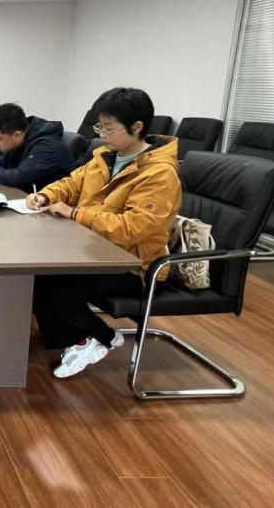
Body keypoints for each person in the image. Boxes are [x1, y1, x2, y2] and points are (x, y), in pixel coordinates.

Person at [25, 87, 180, 379]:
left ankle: (94, 337)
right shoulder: (104, 158)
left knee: (55, 286)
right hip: (92, 249)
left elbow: (132, 228)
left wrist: (75, 214)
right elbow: (70, 183)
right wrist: (45, 195)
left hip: (134, 266)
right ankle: (91, 337)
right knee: (35, 274)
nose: (102, 134)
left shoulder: (160, 174)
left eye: (109, 128)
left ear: (137, 127)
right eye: (99, 127)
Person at [0, 103, 75, 189]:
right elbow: (0, 162)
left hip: (53, 207)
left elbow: (20, 177)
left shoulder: (47, 147)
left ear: (17, 135)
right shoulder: (20, 141)